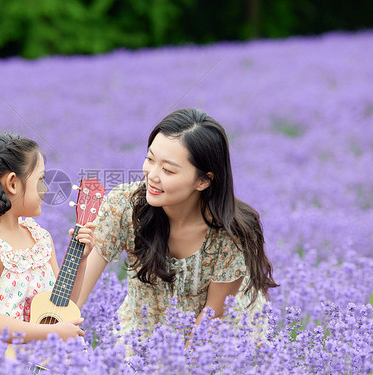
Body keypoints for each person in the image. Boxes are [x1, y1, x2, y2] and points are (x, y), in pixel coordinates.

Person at [73, 108, 278, 340]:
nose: (152, 175)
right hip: (143, 332)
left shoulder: (231, 232)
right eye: (150, 159)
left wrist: (174, 361)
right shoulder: (124, 205)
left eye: (168, 169)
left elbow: (213, 315)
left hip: (216, 332)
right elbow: (73, 300)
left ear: (203, 180)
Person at [0, 133, 95, 373]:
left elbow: (62, 305)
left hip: (42, 360)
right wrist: (50, 334)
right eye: (41, 179)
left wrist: (81, 261)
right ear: (12, 183)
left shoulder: (40, 237)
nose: (46, 188)